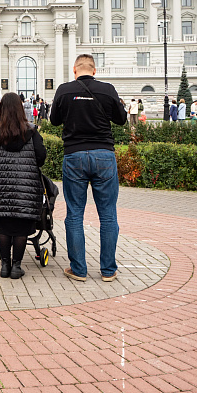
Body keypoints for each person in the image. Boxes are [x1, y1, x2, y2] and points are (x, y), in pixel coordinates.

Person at [49, 54, 127, 283]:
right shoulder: (107, 89)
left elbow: (54, 121)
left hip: (74, 154)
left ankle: (79, 269)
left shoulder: (64, 90)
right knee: (108, 214)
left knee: (74, 213)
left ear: (75, 70)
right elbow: (121, 120)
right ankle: (108, 270)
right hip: (104, 154)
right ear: (94, 70)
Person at [0, 92, 47, 280]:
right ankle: (16, 266)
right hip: (26, 187)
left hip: (0, 186)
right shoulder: (32, 131)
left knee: (3, 225)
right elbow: (41, 156)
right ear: (20, 109)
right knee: (20, 226)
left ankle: (4, 265)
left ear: (1, 109)